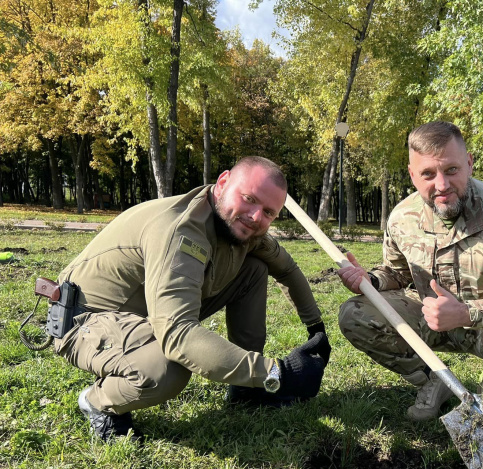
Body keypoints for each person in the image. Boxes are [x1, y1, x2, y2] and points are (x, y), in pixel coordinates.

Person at [54, 156, 331, 440]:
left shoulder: (239, 227)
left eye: (269, 213)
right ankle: (97, 401)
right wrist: (277, 373)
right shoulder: (181, 230)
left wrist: (316, 330)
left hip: (143, 313)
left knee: (253, 269)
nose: (256, 216)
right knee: (167, 368)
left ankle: (247, 389)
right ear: (223, 183)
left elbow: (288, 269)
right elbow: (178, 335)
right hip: (84, 318)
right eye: (249, 199)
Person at [337, 121, 483, 420]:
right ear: (412, 174)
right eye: (428, 174)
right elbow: (398, 273)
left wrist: (467, 313)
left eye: (451, 170)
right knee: (356, 314)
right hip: (429, 321)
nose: (441, 185)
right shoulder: (402, 218)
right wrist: (372, 280)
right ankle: (433, 381)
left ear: (468, 163)